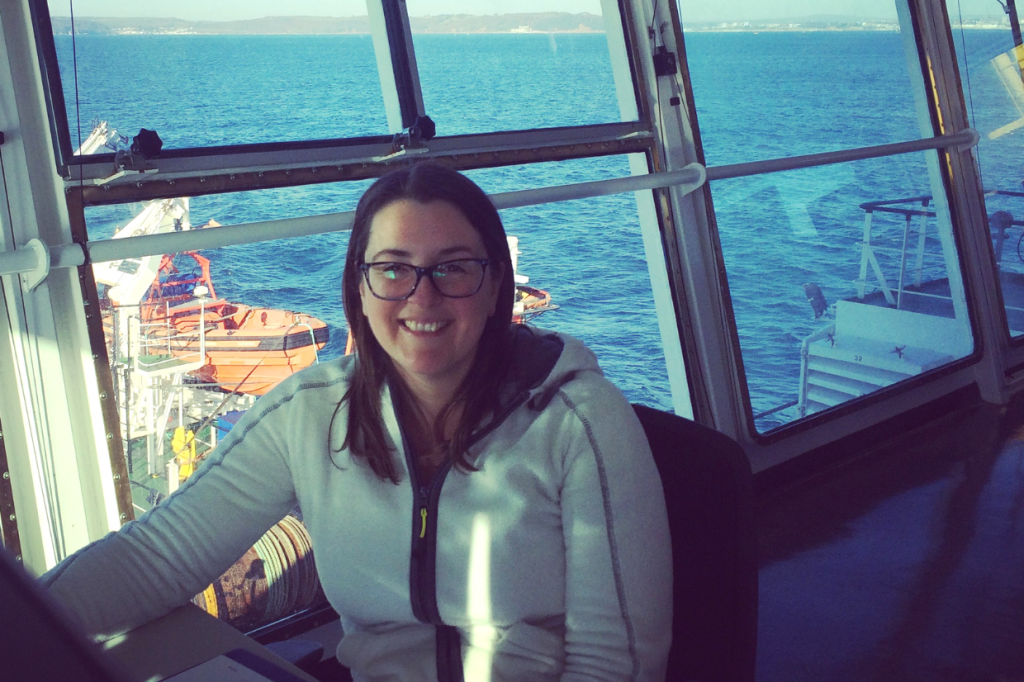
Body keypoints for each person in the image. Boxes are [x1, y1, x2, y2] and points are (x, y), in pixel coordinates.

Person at [42, 163, 673, 682]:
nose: (421, 297)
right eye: (393, 268)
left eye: (452, 267)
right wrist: (23, 627)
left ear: (493, 287)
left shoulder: (580, 422)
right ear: (360, 290)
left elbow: (612, 665)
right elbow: (159, 556)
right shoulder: (310, 413)